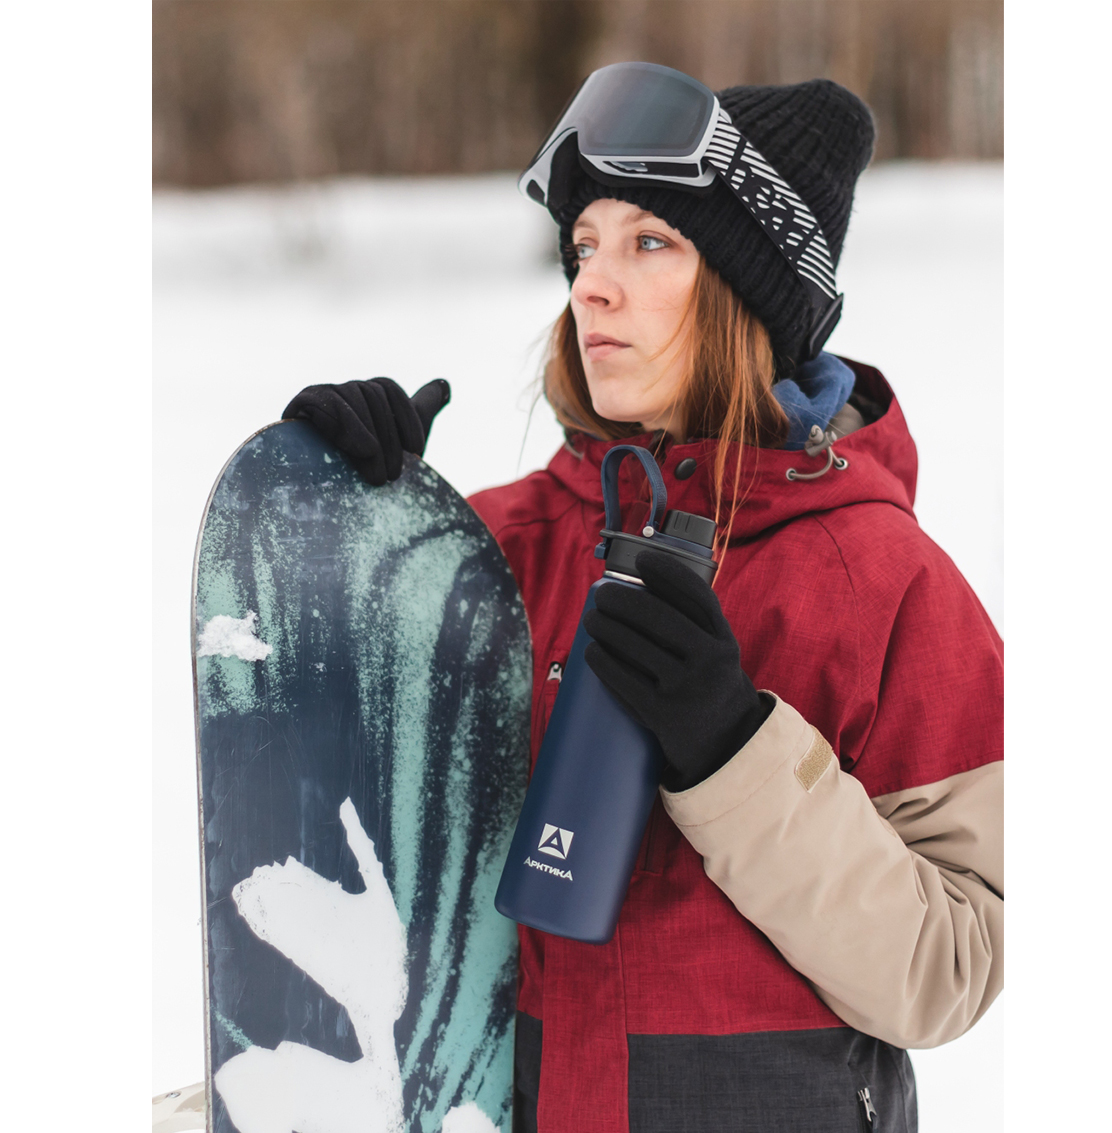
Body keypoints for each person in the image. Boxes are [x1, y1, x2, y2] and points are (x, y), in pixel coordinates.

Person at [283, 66, 1002, 1133]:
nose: (591, 287)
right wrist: (343, 541)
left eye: (649, 242)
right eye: (583, 247)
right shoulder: (496, 548)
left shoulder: (884, 584)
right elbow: (327, 811)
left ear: (754, 292)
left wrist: (733, 752)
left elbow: (949, 967)